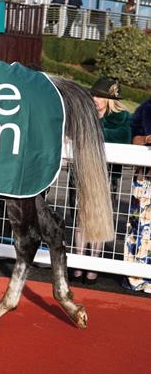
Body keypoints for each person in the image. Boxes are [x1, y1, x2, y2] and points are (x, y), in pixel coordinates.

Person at [70, 78, 131, 285]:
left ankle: (93, 266)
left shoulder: (121, 118)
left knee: (99, 219)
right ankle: (78, 265)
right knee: (80, 219)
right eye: (94, 95)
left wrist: (91, 134)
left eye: (101, 96)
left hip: (106, 176)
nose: (95, 99)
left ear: (110, 100)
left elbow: (123, 137)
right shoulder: (82, 114)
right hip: (82, 171)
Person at [124, 96, 151, 293]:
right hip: (144, 181)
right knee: (139, 227)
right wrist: (148, 139)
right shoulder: (145, 109)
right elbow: (135, 140)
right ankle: (136, 276)